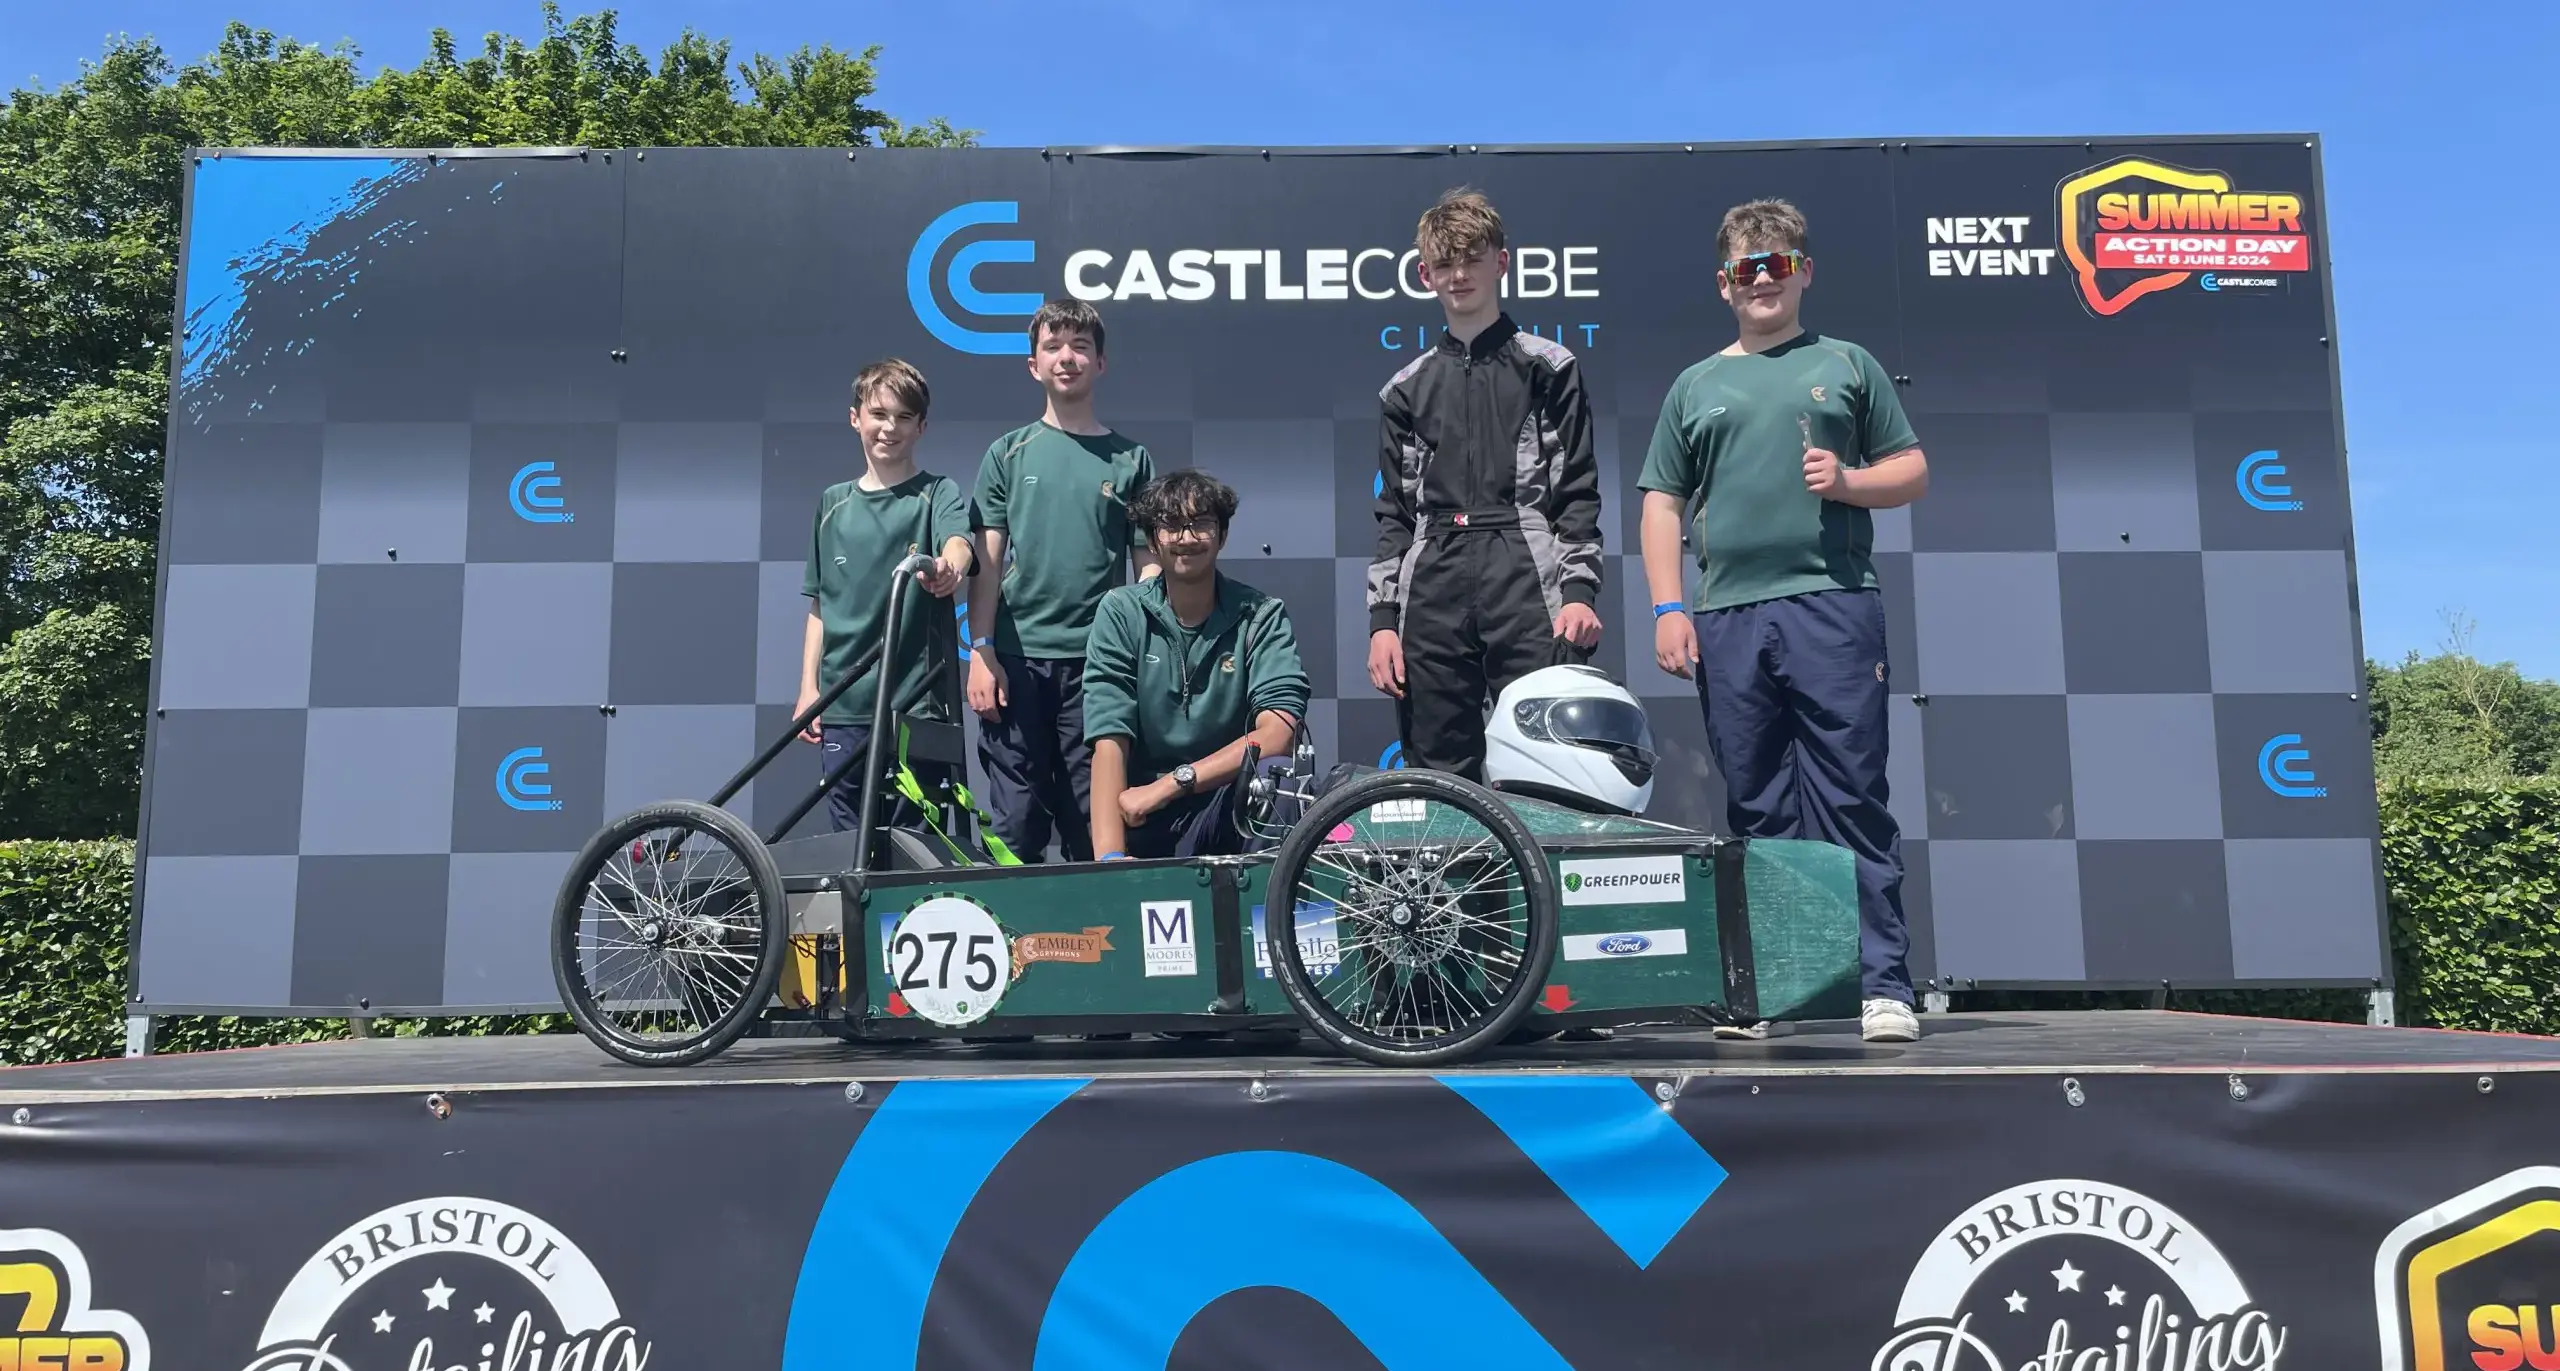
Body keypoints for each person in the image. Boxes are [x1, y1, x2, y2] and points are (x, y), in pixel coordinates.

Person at [1636, 198, 1932, 1045]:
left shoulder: (1846, 363)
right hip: (1727, 615)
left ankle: (1884, 985)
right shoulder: (1696, 385)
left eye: (1777, 264)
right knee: (1758, 803)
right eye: (1745, 269)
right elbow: (1662, 504)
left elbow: (1911, 471)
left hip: (1833, 605)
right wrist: (1665, 606)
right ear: (1724, 283)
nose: (1761, 280)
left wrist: (1846, 481)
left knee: (1851, 794)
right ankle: (1778, 986)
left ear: (1803, 270)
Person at [1365, 187, 1605, 782]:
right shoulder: (1404, 388)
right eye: (1444, 264)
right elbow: (1395, 515)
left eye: (1472, 258)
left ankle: (1541, 880)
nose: (1459, 274)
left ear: (1502, 261)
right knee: (1438, 768)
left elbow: (1576, 490)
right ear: (1425, 275)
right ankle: (1455, 880)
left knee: (1550, 759)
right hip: (1433, 574)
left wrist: (1578, 591)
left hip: (1525, 566)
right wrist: (1381, 625)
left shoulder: (1550, 367)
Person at [965, 298, 1159, 862]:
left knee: (1091, 817)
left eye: (1080, 347)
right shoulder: (1006, 453)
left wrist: (1138, 651)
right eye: (1053, 347)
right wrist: (981, 650)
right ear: (1034, 365)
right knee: (1016, 822)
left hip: (1099, 666)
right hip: (1015, 663)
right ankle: (1010, 942)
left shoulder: (1131, 459)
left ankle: (1095, 944)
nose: (1066, 358)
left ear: (1101, 362)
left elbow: (1148, 568)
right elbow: (988, 563)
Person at [1085, 469, 1310, 861]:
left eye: (1201, 524)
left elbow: (1278, 734)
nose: (1186, 538)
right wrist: (1110, 863)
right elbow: (1109, 740)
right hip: (1146, 814)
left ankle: (1272, 917)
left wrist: (1176, 782)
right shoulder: (1121, 611)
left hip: (1226, 804)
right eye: (1171, 525)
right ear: (1153, 542)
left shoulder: (1261, 614)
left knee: (1280, 778)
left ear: (1222, 536)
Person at [799, 358, 976, 834]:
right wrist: (808, 691)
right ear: (856, 418)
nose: (888, 428)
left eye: (902, 417)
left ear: (921, 427)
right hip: (842, 706)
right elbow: (819, 605)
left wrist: (948, 566)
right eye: (878, 414)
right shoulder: (831, 504)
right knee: (848, 849)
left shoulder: (937, 492)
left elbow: (959, 544)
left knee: (912, 850)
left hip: (913, 707)